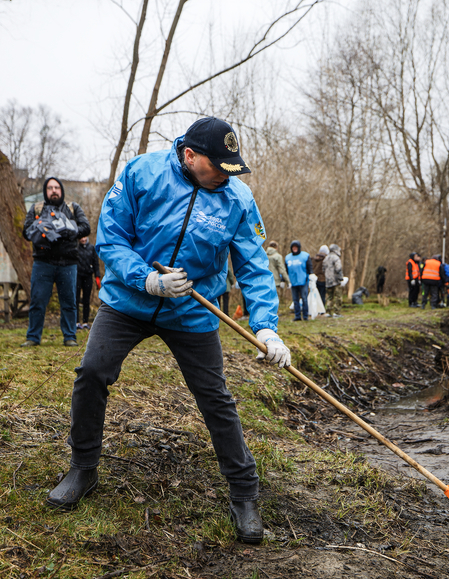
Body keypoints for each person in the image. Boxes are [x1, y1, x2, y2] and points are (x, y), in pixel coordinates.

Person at [45, 117, 288, 547]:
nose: (228, 176)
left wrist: (267, 329)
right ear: (190, 156)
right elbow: (110, 238)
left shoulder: (238, 198)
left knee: (216, 398)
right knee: (92, 372)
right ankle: (83, 468)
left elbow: (253, 266)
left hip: (192, 312)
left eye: (234, 168)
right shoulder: (143, 172)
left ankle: (244, 493)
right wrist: (147, 280)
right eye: (220, 167)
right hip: (129, 301)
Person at [21, 177, 91, 347]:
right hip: (43, 262)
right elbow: (26, 231)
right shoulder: (37, 208)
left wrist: (68, 231)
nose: (54, 191)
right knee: (37, 300)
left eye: (57, 187)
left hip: (68, 262)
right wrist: (41, 229)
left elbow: (86, 227)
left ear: (61, 190)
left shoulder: (72, 208)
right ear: (46, 191)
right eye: (50, 188)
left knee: (69, 301)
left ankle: (69, 337)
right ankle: (33, 337)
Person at [76, 236, 101, 330]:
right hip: (77, 276)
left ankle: (85, 322)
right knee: (76, 299)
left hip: (88, 276)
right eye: (81, 237)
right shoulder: (76, 248)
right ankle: (76, 322)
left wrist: (97, 276)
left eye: (84, 237)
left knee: (87, 300)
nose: (82, 239)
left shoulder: (91, 248)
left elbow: (96, 263)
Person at [284, 240, 311, 321]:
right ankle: (297, 316)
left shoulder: (305, 256)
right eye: (293, 247)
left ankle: (305, 316)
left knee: (304, 299)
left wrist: (311, 275)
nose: (295, 249)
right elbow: (285, 270)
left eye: (296, 247)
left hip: (303, 281)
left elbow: (309, 267)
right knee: (295, 300)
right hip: (293, 282)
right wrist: (284, 280)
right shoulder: (288, 258)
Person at [323, 243, 345, 317]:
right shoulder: (336, 258)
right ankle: (337, 312)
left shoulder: (326, 258)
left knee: (329, 297)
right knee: (338, 296)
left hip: (328, 281)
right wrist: (341, 278)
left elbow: (323, 269)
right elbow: (338, 268)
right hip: (335, 280)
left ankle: (328, 312)